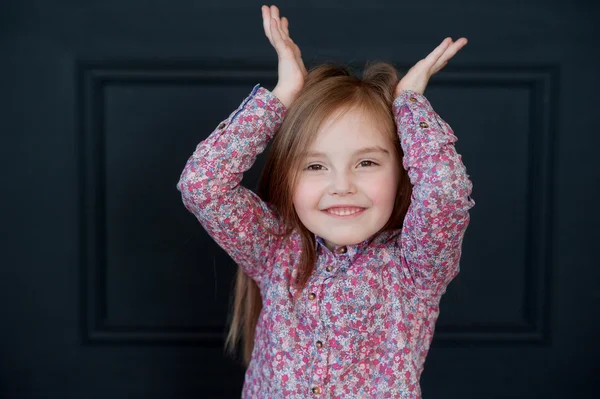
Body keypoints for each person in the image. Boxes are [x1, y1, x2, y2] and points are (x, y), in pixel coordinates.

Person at [176, 4, 475, 398]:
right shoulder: (275, 251)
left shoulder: (414, 268)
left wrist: (409, 104)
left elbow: (445, 196)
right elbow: (202, 184)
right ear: (288, 178)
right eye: (316, 167)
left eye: (366, 162)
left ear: (403, 169)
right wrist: (281, 96)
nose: (342, 185)